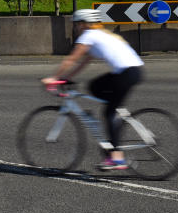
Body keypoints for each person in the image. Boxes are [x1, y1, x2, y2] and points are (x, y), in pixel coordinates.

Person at [42, 9, 144, 171]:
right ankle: (112, 117)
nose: (75, 28)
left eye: (76, 25)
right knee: (95, 86)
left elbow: (72, 59)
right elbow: (83, 62)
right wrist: (68, 77)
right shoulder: (100, 34)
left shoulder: (88, 36)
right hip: (134, 70)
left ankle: (117, 158)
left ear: (83, 24)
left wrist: (54, 78)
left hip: (126, 73)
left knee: (108, 112)